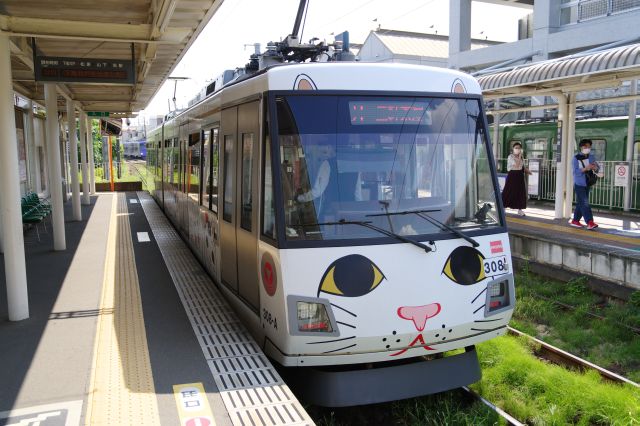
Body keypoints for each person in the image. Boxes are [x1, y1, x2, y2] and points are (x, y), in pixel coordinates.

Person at [570, 139, 599, 230]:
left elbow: (597, 167)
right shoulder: (576, 158)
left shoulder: (591, 157)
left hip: (588, 182)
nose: (587, 148)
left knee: (581, 203)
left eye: (589, 147)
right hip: (579, 183)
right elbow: (575, 172)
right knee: (584, 202)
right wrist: (586, 168)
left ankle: (575, 221)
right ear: (581, 147)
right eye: (585, 146)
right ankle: (590, 222)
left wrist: (595, 167)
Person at [501, 142, 531, 216]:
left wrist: (527, 171)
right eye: (516, 148)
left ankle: (520, 210)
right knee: (508, 191)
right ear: (513, 149)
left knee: (520, 193)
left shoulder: (521, 157)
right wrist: (519, 156)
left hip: (519, 176)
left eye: (519, 148)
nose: (517, 149)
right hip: (512, 175)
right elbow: (517, 165)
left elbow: (522, 166)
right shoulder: (510, 156)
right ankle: (503, 208)